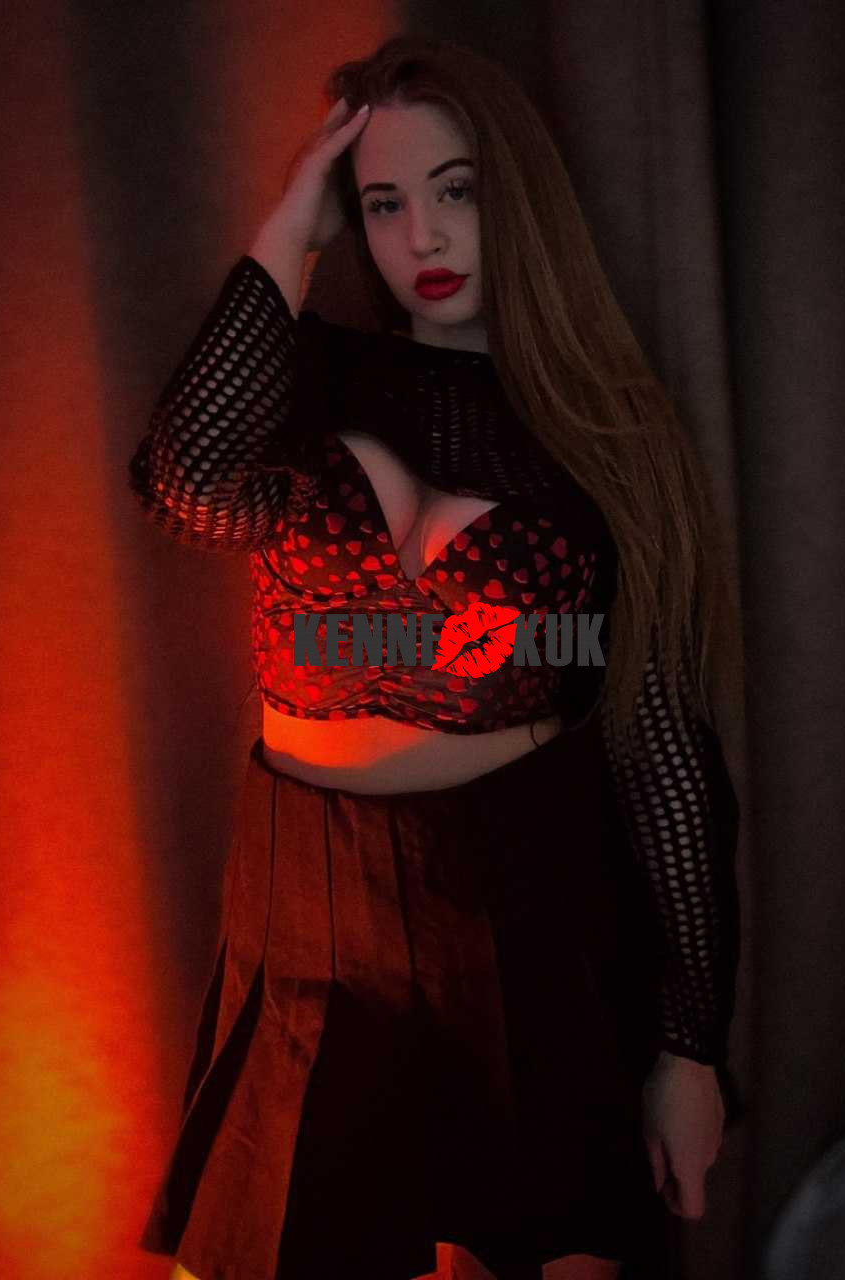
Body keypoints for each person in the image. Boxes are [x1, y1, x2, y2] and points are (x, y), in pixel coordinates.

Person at [128, 34, 743, 1280]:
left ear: (517, 194)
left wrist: (690, 1045)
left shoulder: (605, 431)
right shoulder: (307, 378)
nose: (425, 235)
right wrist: (288, 231)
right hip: (307, 914)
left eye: (457, 190)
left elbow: (664, 745)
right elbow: (185, 486)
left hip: (528, 900)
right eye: (384, 202)